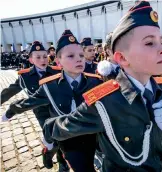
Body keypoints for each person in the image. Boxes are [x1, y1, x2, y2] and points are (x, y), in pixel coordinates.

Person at [42, 1, 162, 171]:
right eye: (149, 43)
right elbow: (60, 126)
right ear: (123, 58)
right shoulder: (104, 103)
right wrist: (48, 141)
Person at [2, 30, 102, 172]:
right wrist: (11, 111)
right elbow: (30, 102)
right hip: (67, 137)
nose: (79, 59)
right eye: (71, 56)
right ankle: (50, 154)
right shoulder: (50, 86)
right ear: (58, 60)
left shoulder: (95, 82)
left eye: (81, 55)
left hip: (92, 135)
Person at [0, 41, 67, 171]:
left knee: (62, 137)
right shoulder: (25, 76)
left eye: (44, 56)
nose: (43, 59)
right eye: (38, 57)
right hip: (41, 113)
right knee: (54, 137)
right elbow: (10, 91)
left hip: (58, 109)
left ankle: (62, 164)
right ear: (31, 60)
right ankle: (48, 153)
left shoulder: (56, 71)